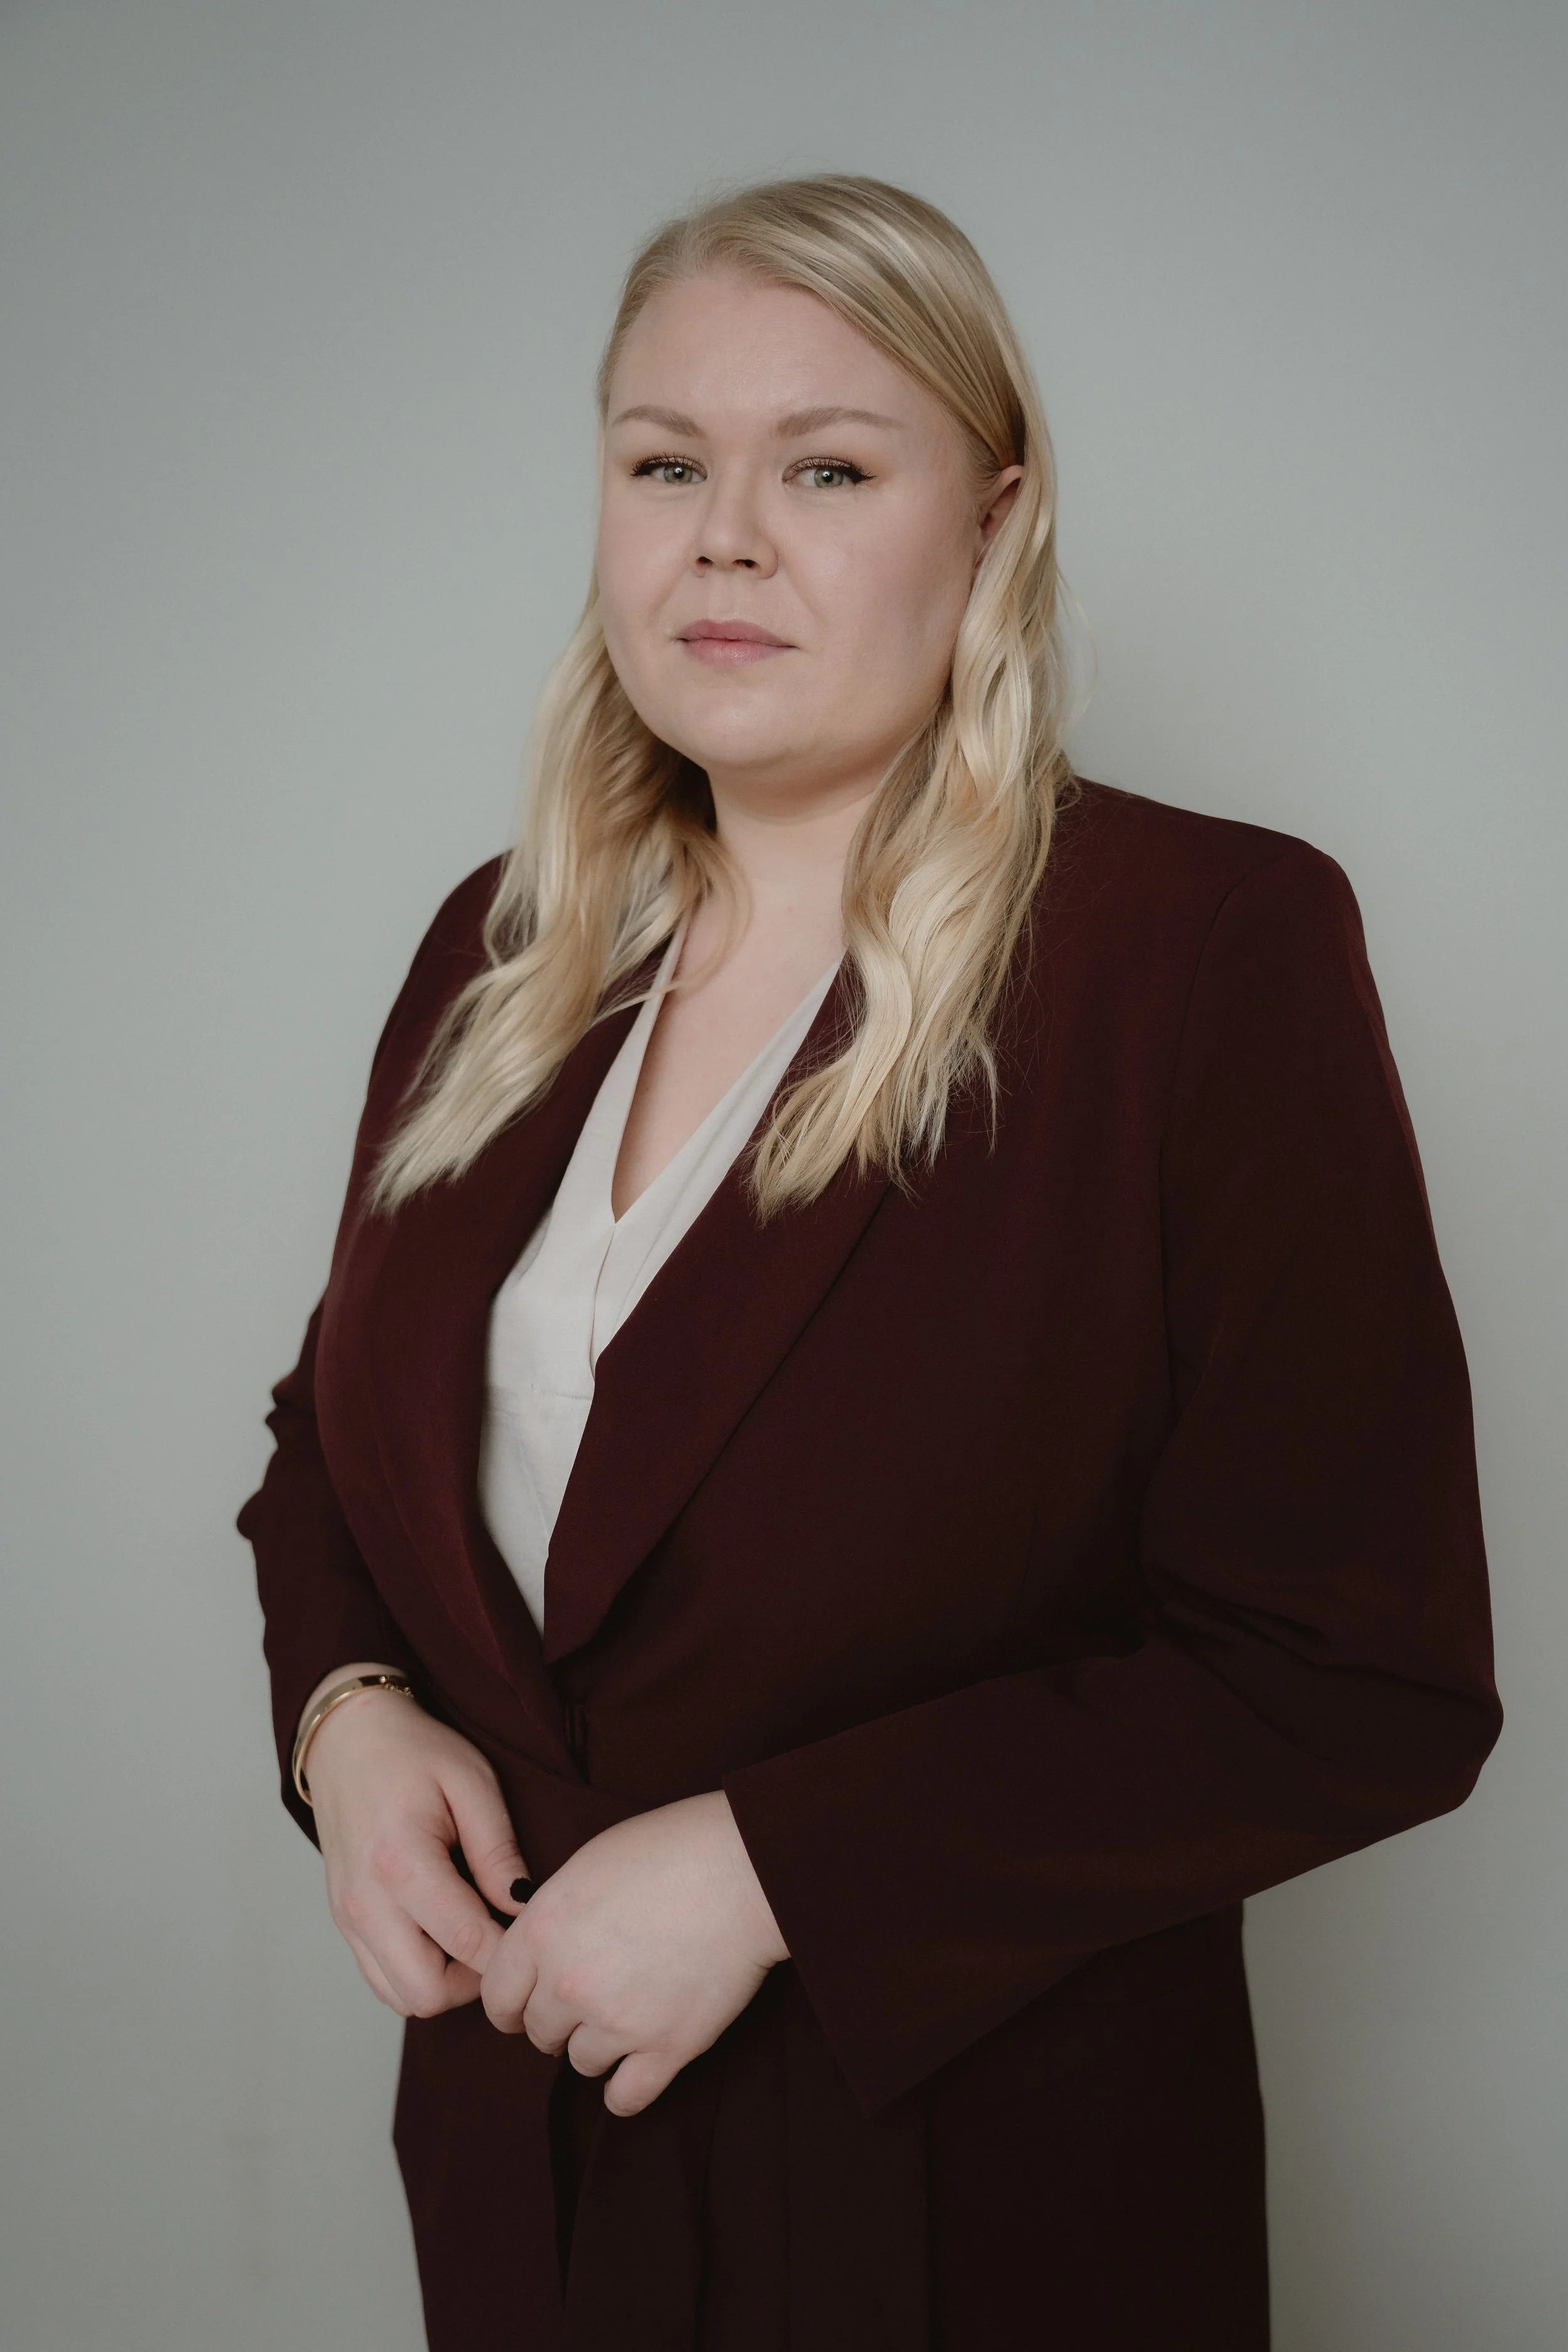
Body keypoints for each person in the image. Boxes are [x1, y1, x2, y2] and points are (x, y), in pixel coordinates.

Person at [238, 174, 1501, 2352]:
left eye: (825, 468)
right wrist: (345, 1721)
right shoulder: (503, 948)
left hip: (967, 2201)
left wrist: (772, 1868)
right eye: (665, 465)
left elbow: (1353, 1670)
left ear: (991, 526)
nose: (724, 540)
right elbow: (332, 1442)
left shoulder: (1199, 951)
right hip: (526, 2172)